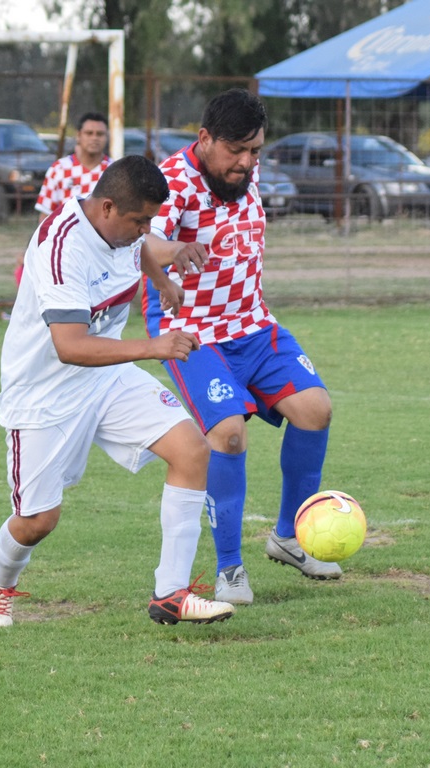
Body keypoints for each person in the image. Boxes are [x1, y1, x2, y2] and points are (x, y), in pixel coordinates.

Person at [0, 154, 235, 628]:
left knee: (192, 450)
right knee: (38, 522)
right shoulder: (62, 248)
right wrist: (154, 346)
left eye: (151, 221)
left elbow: (137, 249)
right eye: (140, 221)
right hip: (45, 394)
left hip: (105, 377)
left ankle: (171, 594)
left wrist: (162, 277)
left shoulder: (121, 230)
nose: (146, 231)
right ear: (108, 208)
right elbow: (70, 346)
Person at [140, 88, 338, 605]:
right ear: (205, 138)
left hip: (254, 324)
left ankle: (288, 537)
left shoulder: (245, 172)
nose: (247, 163)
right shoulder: (173, 181)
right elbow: (144, 240)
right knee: (228, 435)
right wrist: (173, 254)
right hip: (192, 331)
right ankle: (229, 568)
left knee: (316, 410)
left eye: (255, 151)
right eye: (236, 151)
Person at [14, 112, 112, 285]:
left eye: (100, 134)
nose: (94, 138)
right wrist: (39, 248)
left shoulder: (114, 171)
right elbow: (46, 216)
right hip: (66, 249)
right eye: (89, 133)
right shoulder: (59, 169)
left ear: (107, 137)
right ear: (79, 136)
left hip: (102, 250)